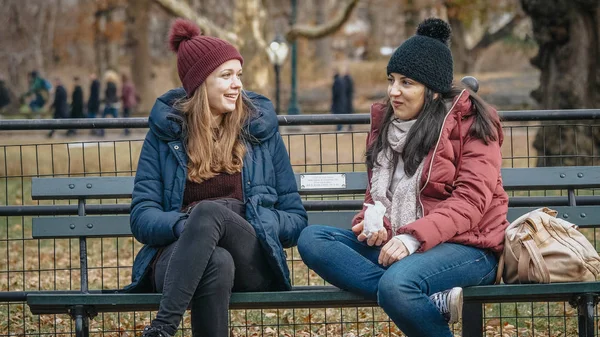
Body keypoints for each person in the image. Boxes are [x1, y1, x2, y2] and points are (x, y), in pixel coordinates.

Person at [298, 18, 509, 337]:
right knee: (313, 240)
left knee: (398, 285)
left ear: (434, 92)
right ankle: (427, 299)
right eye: (391, 80)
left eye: (407, 83)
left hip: (469, 247)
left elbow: (470, 202)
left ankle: (406, 292)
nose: (393, 92)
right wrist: (373, 224)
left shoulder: (474, 125)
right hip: (401, 245)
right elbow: (375, 198)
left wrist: (411, 238)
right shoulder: (386, 127)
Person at [124, 19, 307, 337]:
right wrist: (184, 225)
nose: (237, 84)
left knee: (209, 213)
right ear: (199, 84)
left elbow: (295, 219)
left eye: (239, 74)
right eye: (226, 76)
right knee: (216, 260)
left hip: (251, 255)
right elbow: (142, 218)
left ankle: (162, 327)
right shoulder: (165, 137)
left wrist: (253, 219)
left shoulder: (259, 134)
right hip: (178, 256)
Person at [98, 70, 119, 137]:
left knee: (103, 118)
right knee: (116, 118)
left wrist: (108, 102)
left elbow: (110, 95)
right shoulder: (113, 85)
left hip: (110, 104)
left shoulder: (110, 85)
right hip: (112, 103)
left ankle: (102, 132)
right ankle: (126, 130)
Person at [342, 66, 354, 131]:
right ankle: (349, 126)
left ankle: (349, 126)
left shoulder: (347, 79)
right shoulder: (348, 79)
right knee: (349, 112)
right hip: (348, 99)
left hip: (347, 99)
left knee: (348, 112)